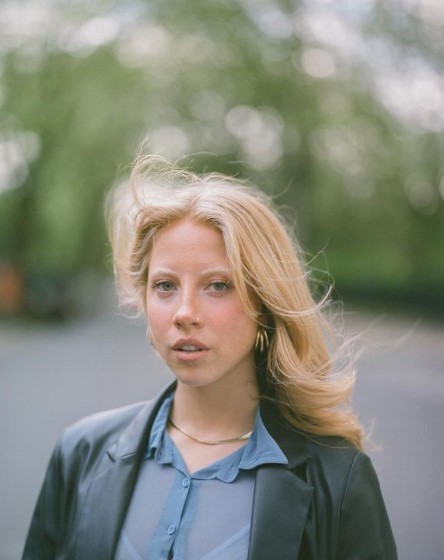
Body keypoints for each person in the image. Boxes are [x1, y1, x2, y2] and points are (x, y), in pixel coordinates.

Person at [22, 155, 397, 559]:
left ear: (265, 302)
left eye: (217, 285)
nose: (184, 312)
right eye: (165, 285)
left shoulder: (338, 480)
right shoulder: (80, 454)